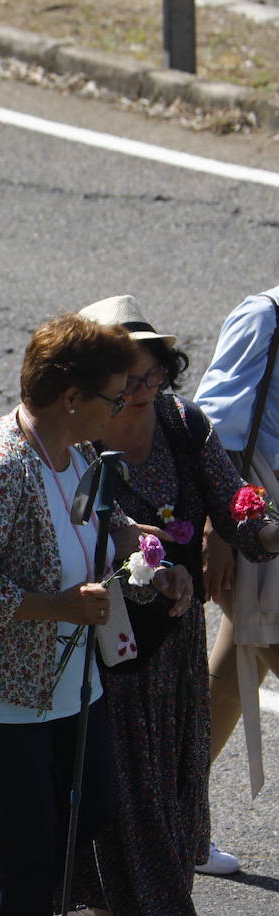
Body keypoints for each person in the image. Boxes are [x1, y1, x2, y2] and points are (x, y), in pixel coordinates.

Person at [0, 313, 191, 916]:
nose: (123, 406)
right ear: (71, 397)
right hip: (2, 690)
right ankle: (2, 895)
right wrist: (59, 607)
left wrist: (146, 553)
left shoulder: (74, 451)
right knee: (28, 852)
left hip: (71, 678)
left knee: (90, 810)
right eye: (113, 396)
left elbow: (100, 519)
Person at [73, 296, 279, 915]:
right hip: (106, 663)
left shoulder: (183, 424)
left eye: (153, 372)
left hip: (176, 659)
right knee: (134, 820)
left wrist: (267, 528)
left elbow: (235, 502)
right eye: (126, 378)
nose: (141, 389)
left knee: (175, 807)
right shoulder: (75, 442)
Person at [194, 282, 279, 874]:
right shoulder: (266, 318)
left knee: (228, 677)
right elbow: (217, 428)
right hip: (259, 525)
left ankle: (164, 821)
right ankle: (159, 825)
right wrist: (221, 530)